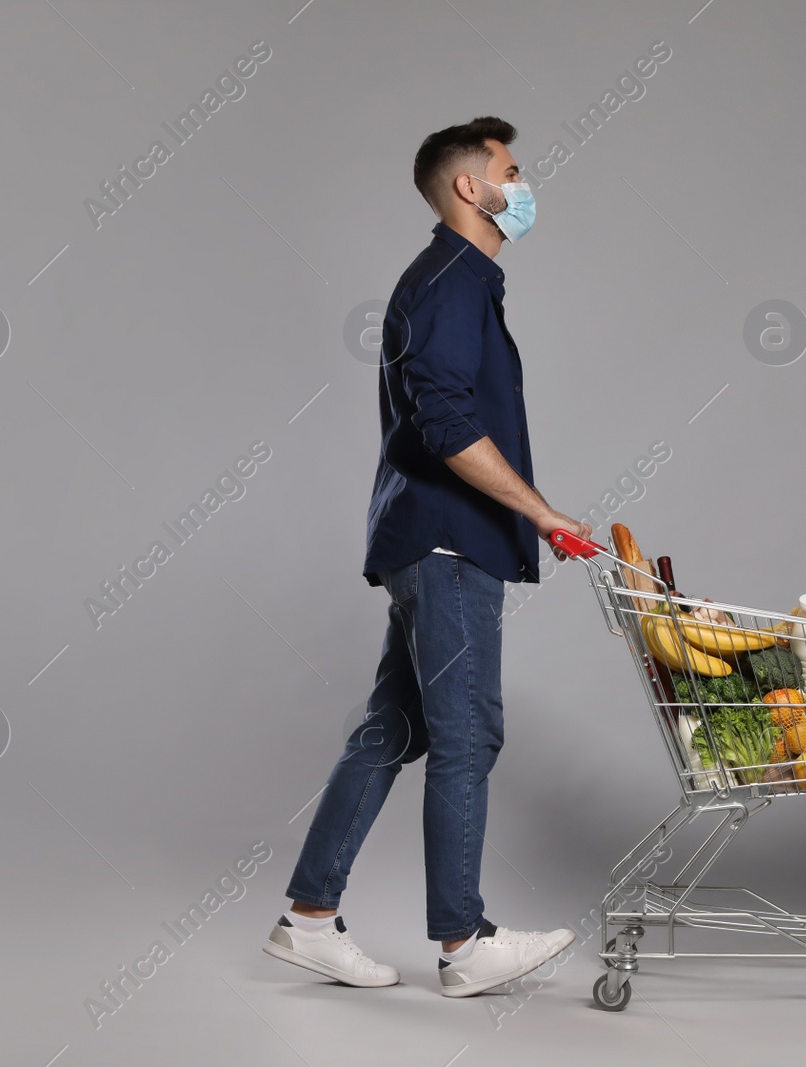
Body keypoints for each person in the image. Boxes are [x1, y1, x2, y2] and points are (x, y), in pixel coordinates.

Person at [263, 116, 593, 998]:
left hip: (429, 537)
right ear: (469, 188)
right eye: (512, 172)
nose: (524, 186)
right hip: (447, 542)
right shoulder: (450, 281)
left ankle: (308, 919)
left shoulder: (458, 282)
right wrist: (546, 514)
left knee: (394, 729)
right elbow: (447, 428)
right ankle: (461, 940)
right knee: (466, 735)